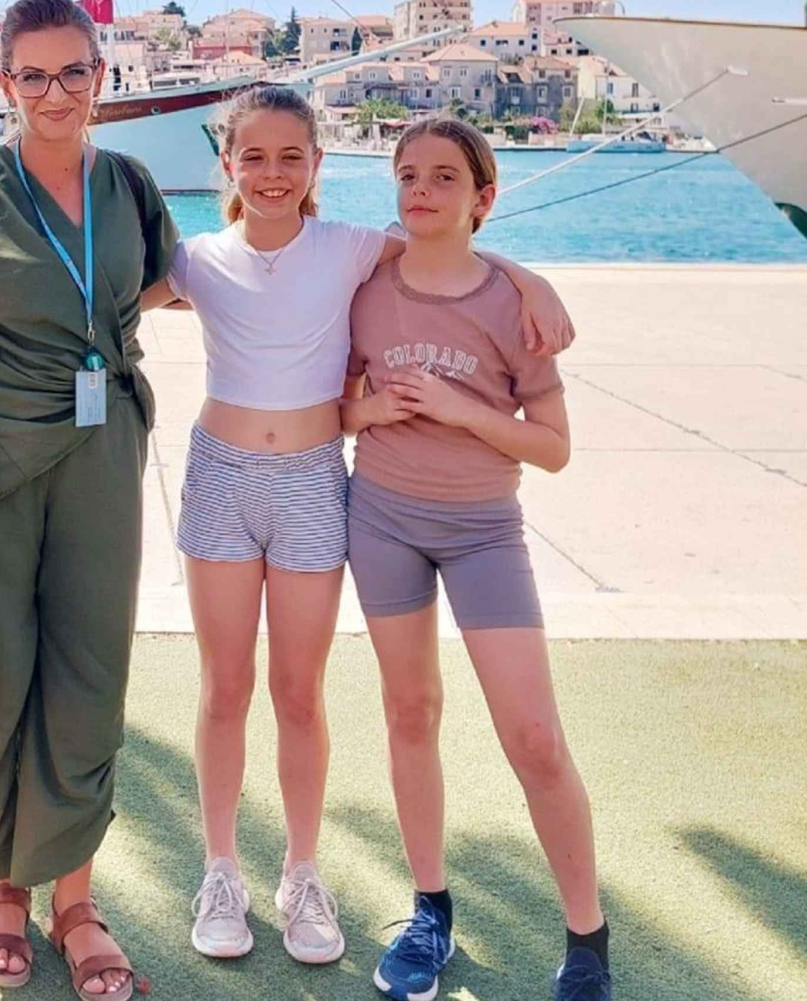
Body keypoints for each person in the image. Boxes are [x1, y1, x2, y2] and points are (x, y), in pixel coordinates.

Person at [157, 86, 575, 970]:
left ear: (317, 165)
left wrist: (529, 277)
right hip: (220, 479)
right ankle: (221, 869)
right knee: (225, 685)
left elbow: (448, 243)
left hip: (314, 482)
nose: (273, 174)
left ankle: (302, 873)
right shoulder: (195, 260)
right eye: (254, 157)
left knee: (298, 691)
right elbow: (106, 298)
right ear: (228, 165)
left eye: (292, 157)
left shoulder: (350, 248)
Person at [0, 2, 177, 997]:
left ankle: (76, 899)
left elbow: (183, 276)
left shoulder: (130, 183)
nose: (57, 94)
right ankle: (1, 887)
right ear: (2, 81)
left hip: (104, 450)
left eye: (74, 72)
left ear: (102, 75)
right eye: (35, 76)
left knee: (90, 670)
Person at [341, 119, 608, 1001]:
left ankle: (587, 939)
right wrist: (368, 413)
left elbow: (555, 448)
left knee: (534, 736)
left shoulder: (514, 305)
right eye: (407, 174)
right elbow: (335, 408)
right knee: (410, 710)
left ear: (484, 197)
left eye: (444, 177)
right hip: (382, 521)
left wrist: (464, 411)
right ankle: (430, 911)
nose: (421, 190)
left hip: (484, 531)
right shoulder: (365, 287)